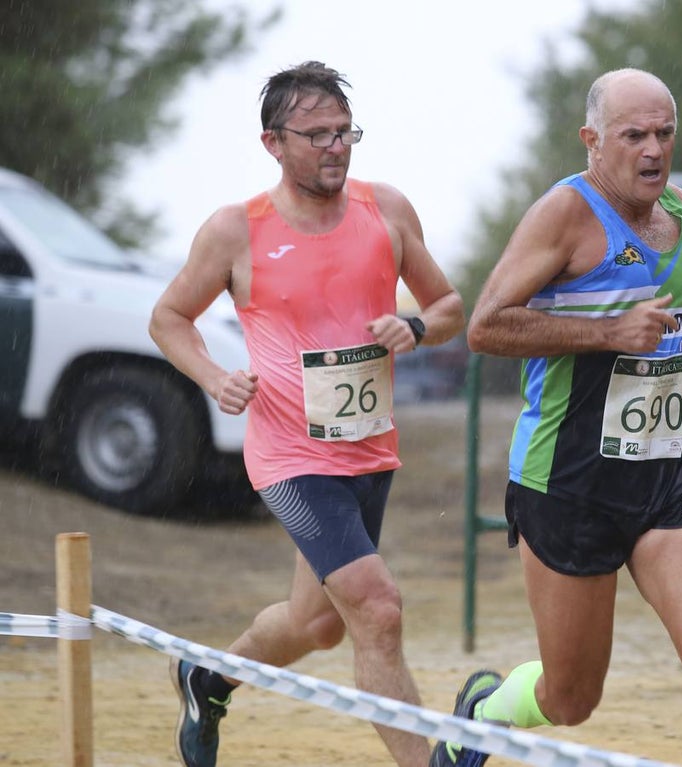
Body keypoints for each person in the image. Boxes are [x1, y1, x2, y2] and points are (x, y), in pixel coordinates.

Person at [434, 69, 682, 766]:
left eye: (664, 133)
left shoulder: (679, 210)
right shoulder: (564, 214)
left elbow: (670, 295)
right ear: (593, 141)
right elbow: (486, 326)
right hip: (570, 479)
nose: (653, 150)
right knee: (570, 697)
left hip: (667, 468)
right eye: (634, 136)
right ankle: (480, 715)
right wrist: (606, 333)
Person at [149, 61, 464, 767]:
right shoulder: (236, 230)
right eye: (316, 134)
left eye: (345, 131)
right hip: (289, 456)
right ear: (273, 143)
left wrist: (415, 327)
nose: (336, 147)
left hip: (368, 446)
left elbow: (449, 308)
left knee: (316, 623)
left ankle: (207, 675)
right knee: (377, 611)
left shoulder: (387, 210)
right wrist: (212, 376)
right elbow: (168, 318)